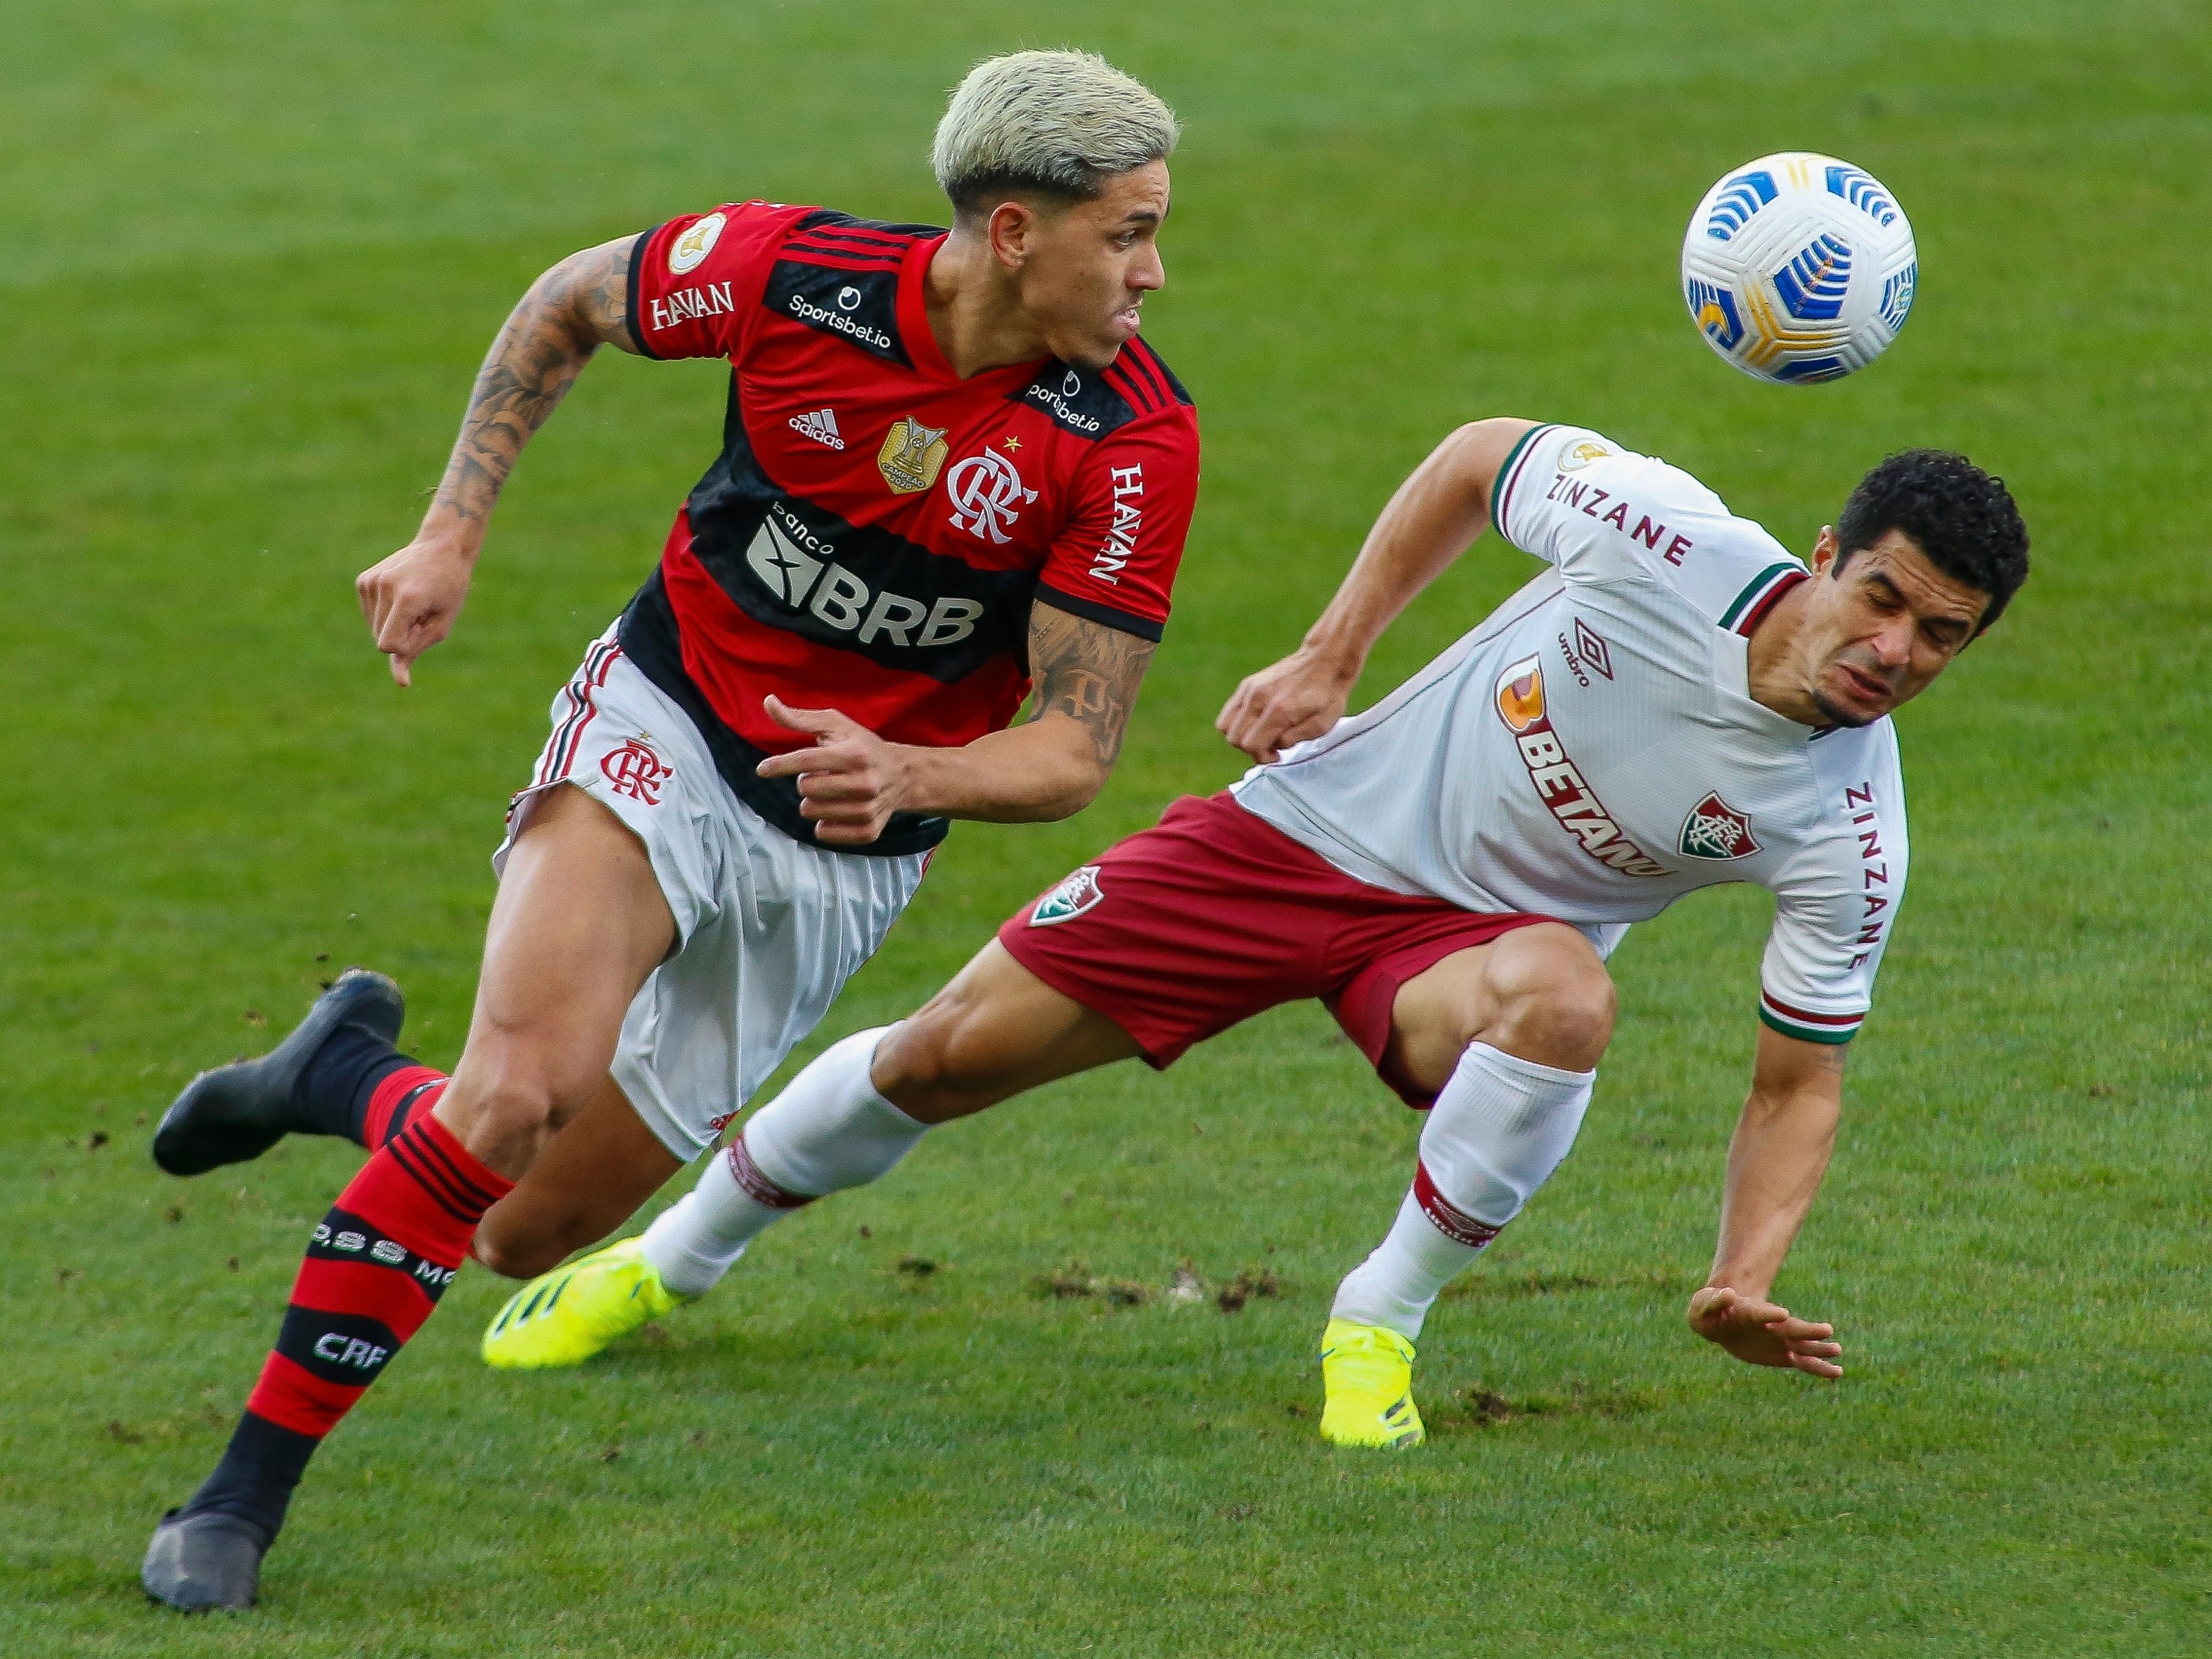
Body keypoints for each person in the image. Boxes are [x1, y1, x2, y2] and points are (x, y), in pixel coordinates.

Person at [142, 49, 1200, 1610]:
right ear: (1013, 229)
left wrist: (918, 776)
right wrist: (450, 529)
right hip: (666, 727)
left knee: (515, 1229)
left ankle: (344, 1075)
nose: (1153, 274)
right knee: (511, 1093)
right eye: (1127, 232)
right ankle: (236, 1500)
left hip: (841, 848)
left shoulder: (1126, 439)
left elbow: (1071, 750)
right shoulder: (790, 279)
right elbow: (566, 303)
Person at [489, 416, 2028, 1449]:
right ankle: (666, 1262)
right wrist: (1327, 654)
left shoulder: (1851, 828)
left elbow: (1797, 1079)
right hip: (1301, 833)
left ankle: (1380, 1320)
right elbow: (1475, 458)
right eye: (1881, 599)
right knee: (946, 1057)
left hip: (1464, 957)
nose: (1892, 650)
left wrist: (1740, 1272)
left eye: (1939, 638)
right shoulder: (1671, 542)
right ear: (1828, 554)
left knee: (1564, 994)